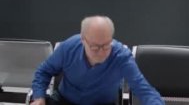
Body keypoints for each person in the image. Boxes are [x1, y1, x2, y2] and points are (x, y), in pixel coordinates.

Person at [30, 16, 164, 105]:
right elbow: (43, 72)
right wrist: (39, 97)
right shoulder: (69, 47)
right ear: (83, 40)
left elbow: (143, 89)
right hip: (65, 101)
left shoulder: (121, 56)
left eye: (106, 46)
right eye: (95, 47)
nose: (101, 52)